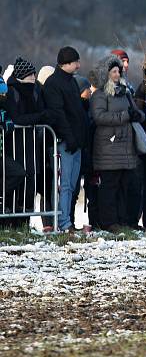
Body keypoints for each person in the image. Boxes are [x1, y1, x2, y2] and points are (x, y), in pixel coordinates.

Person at [90, 55, 144, 232]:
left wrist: (138, 115)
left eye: (118, 71)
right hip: (109, 147)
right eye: (113, 71)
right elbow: (99, 117)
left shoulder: (125, 92)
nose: (117, 74)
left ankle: (123, 220)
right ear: (106, 74)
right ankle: (108, 221)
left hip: (126, 147)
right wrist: (124, 116)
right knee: (109, 187)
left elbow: (135, 112)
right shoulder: (100, 94)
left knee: (124, 186)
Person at [3, 58, 59, 224]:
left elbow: (41, 111)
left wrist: (43, 116)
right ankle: (13, 220)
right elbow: (17, 117)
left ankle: (25, 221)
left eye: (34, 73)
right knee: (20, 177)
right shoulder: (13, 92)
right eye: (30, 74)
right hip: (16, 143)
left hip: (33, 143)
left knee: (32, 181)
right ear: (22, 75)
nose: (33, 77)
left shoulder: (35, 90)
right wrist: (40, 117)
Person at [43, 46, 89, 232]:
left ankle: (67, 220)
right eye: (75, 62)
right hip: (64, 142)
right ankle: (61, 222)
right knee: (65, 185)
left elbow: (74, 111)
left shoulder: (70, 82)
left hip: (75, 141)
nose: (79, 65)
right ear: (66, 63)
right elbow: (59, 114)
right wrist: (69, 137)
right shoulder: (54, 83)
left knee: (72, 184)